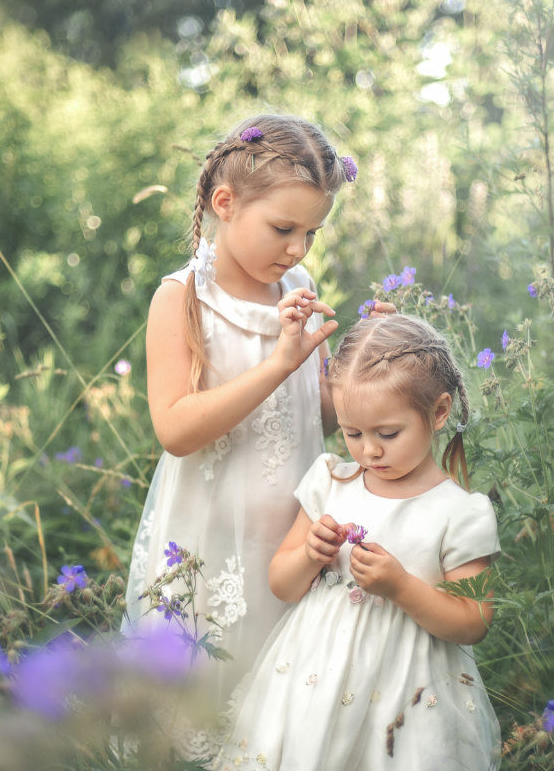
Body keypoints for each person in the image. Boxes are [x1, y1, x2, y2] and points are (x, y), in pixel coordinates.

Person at [127, 114, 386, 758]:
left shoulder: (298, 287)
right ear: (225, 203)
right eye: (283, 229)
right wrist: (279, 363)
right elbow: (176, 429)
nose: (298, 250)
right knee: (202, 697)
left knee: (276, 722)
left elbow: (316, 415)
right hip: (209, 538)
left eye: (311, 233)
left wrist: (367, 359)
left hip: (291, 539)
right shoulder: (183, 299)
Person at [212, 314, 503, 771]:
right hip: (315, 680)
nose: (368, 451)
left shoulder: (460, 512)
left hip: (409, 691)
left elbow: (474, 621)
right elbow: (282, 584)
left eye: (388, 434)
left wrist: (402, 587)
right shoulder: (332, 481)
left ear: (439, 412)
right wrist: (310, 554)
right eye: (352, 433)